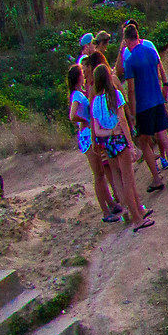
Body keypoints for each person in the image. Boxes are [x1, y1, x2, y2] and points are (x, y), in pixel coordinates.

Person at [86, 61, 149, 232]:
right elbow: (122, 120)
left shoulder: (95, 102)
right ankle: (137, 218)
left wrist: (109, 133)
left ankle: (130, 212)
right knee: (128, 178)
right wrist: (130, 142)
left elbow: (97, 129)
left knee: (117, 178)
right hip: (120, 140)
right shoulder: (115, 96)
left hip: (108, 143)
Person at [117, 21, 168, 191]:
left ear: (127, 41)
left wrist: (132, 114)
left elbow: (131, 90)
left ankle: (157, 179)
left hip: (143, 106)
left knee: (144, 142)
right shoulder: (151, 51)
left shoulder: (130, 61)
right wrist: (164, 86)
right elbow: (160, 72)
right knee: (165, 139)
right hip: (158, 101)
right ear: (137, 36)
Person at [67, 61, 116, 221]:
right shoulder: (77, 95)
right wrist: (84, 120)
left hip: (87, 134)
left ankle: (110, 204)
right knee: (99, 175)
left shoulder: (78, 93)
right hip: (87, 136)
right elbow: (72, 115)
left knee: (100, 173)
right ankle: (106, 211)